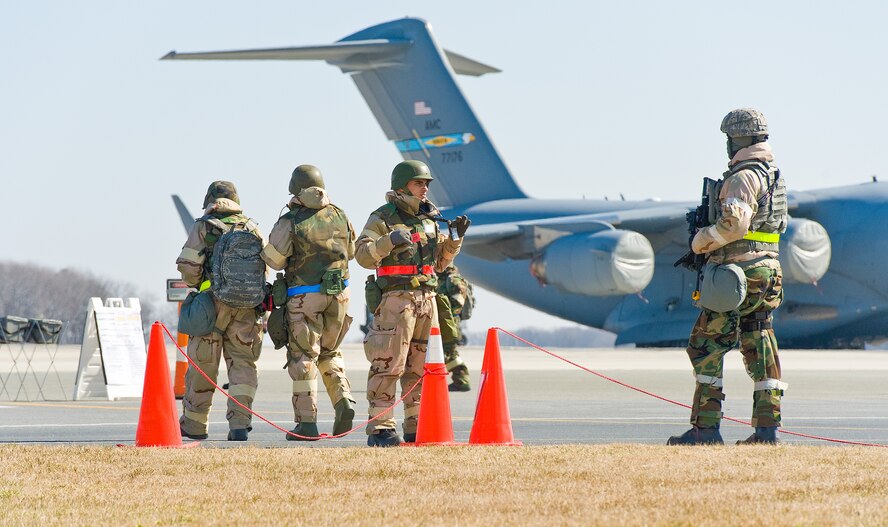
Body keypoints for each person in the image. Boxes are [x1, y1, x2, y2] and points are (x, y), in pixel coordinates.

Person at [668, 108, 788, 446]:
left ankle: (705, 430)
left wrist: (701, 239)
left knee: (706, 345)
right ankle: (767, 431)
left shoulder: (743, 177)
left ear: (738, 139)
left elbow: (735, 224)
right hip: (768, 272)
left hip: (737, 272)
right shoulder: (773, 176)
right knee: (760, 344)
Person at [356, 159, 470, 447]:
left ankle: (415, 424)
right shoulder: (382, 217)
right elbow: (362, 256)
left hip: (427, 301)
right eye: (419, 183)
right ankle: (381, 427)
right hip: (397, 301)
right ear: (402, 185)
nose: (425, 189)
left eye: (427, 184)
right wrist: (389, 241)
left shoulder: (430, 220)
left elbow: (441, 264)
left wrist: (454, 239)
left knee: (420, 368)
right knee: (389, 363)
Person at [260, 165, 357, 440]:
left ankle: (307, 423)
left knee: (304, 357)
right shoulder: (340, 214)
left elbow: (274, 259)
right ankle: (344, 400)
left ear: (295, 189)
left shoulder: (291, 220)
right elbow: (351, 251)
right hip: (340, 294)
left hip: (305, 297)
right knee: (330, 351)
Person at [176, 181, 265, 442]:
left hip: (211, 306)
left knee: (204, 364)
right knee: (243, 366)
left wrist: (200, 285)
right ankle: (239, 424)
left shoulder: (204, 226)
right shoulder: (252, 227)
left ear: (210, 201)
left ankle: (195, 425)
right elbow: (263, 269)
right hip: (247, 307)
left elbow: (188, 267)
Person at [436, 264, 475, 392]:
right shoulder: (440, 278)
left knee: (448, 352)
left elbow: (458, 301)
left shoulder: (452, 279)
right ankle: (460, 379)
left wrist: (448, 314)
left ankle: (462, 380)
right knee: (448, 352)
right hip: (444, 320)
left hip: (449, 322)